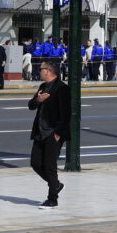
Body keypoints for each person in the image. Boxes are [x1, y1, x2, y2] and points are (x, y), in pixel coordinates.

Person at [28, 59, 71, 208]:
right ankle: (56, 185)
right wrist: (38, 100)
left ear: (48, 71)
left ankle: (52, 198)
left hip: (53, 133)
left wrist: (58, 133)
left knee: (49, 166)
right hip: (40, 132)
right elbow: (31, 105)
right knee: (35, 163)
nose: (39, 71)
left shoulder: (62, 88)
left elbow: (66, 114)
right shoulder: (43, 86)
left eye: (41, 69)